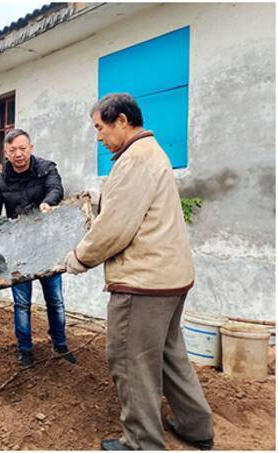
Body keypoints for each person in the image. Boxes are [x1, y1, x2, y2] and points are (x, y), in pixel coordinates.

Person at [64, 93, 214, 451]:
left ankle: (141, 442)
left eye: (100, 128)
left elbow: (115, 228)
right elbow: (137, 205)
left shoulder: (134, 160)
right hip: (171, 277)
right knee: (168, 354)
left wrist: (78, 258)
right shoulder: (151, 154)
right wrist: (101, 197)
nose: (98, 137)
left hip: (144, 283)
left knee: (130, 361)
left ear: (121, 121)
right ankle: (196, 427)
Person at [0, 128, 76, 367]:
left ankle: (60, 345)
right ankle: (25, 350)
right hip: (17, 248)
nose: (18, 154)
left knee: (55, 300)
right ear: (6, 153)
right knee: (21, 302)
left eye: (22, 148)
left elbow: (56, 189)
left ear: (30, 148)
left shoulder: (46, 168)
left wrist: (47, 203)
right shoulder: (1, 180)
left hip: (47, 245)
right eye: (13, 150)